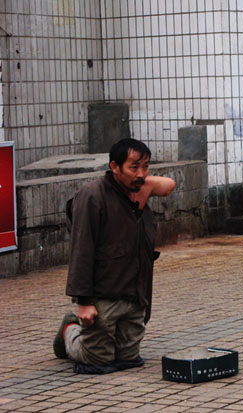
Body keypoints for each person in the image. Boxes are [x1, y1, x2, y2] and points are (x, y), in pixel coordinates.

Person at [53, 138, 176, 374]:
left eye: (146, 167)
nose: (141, 173)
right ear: (114, 167)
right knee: (96, 359)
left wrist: (142, 180)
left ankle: (101, 336)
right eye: (133, 167)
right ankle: (70, 329)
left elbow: (168, 185)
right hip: (104, 294)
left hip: (134, 294)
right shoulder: (93, 196)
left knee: (128, 358)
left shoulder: (139, 191)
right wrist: (84, 302)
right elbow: (81, 250)